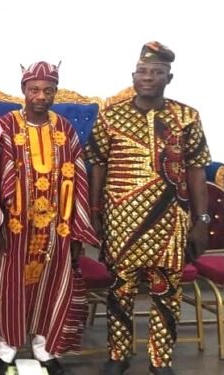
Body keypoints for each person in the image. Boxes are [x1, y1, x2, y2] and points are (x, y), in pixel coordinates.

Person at [85, 42, 211, 375]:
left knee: (166, 290)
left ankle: (160, 361)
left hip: (170, 221)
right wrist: (95, 212)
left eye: (157, 72)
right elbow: (96, 164)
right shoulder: (111, 115)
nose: (149, 77)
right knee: (120, 288)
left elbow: (197, 169)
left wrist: (201, 220)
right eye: (143, 72)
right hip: (121, 219)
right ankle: (118, 355)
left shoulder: (186, 116)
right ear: (133, 76)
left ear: (169, 77)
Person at [0, 61, 99, 375]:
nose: (41, 96)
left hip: (55, 227)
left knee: (51, 285)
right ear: (23, 90)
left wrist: (76, 228)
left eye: (48, 90)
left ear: (55, 93)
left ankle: (44, 349)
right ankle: (4, 350)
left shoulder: (64, 128)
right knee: (8, 286)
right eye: (34, 89)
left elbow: (79, 177)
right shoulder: (6, 125)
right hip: (15, 226)